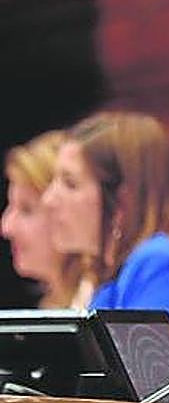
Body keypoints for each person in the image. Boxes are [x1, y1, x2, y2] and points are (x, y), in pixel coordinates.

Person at [42, 111, 169, 371]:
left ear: (122, 202)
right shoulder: (118, 277)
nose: (48, 200)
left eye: (70, 184)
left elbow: (150, 395)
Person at [2, 130, 88, 309]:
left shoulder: (108, 301)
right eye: (10, 207)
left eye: (27, 209)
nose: (6, 227)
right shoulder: (57, 308)